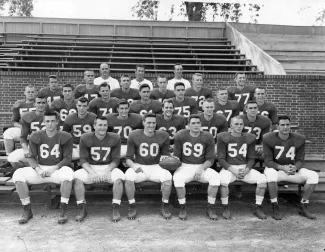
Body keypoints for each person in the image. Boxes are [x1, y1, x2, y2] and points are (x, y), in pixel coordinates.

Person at [12, 111, 74, 224]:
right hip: (40, 169)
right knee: (18, 175)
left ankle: (63, 209)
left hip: (57, 169)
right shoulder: (36, 135)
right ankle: (27, 210)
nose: (50, 124)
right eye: (47, 121)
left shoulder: (65, 136)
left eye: (52, 121)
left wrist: (53, 168)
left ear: (57, 122)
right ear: (43, 122)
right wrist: (38, 169)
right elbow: (31, 157)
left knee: (68, 175)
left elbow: (67, 159)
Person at [263, 115, 319, 220]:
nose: (285, 127)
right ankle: (275, 206)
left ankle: (303, 206)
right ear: (277, 127)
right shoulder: (268, 138)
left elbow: (300, 160)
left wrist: (295, 167)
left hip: (292, 170)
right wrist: (281, 167)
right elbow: (268, 161)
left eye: (287, 125)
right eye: (282, 125)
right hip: (277, 170)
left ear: (290, 126)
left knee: (313, 176)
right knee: (270, 175)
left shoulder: (299, 138)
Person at [73, 116, 124, 222]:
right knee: (77, 178)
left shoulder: (115, 138)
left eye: (105, 125)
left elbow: (116, 159)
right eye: (100, 125)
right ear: (94, 126)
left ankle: (115, 207)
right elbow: (83, 159)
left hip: (108, 166)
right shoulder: (85, 137)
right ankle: (81, 208)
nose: (102, 127)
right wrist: (91, 172)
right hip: (91, 167)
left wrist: (107, 171)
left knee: (119, 178)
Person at [217, 116, 267, 220]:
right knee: (223, 181)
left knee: (262, 180)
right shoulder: (222, 137)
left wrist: (247, 170)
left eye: (241, 124)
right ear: (230, 126)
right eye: (236, 124)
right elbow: (221, 159)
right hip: (229, 168)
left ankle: (258, 207)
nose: (239, 126)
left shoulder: (249, 137)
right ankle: (225, 207)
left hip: (244, 168)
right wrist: (233, 170)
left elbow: (251, 158)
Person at [124, 113, 173, 220]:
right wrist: (133, 166)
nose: (151, 125)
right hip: (140, 166)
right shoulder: (134, 135)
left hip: (156, 166)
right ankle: (132, 205)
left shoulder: (163, 135)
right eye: (148, 122)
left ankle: (165, 205)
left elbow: (165, 155)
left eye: (153, 123)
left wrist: (166, 159)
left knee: (168, 177)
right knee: (128, 177)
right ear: (143, 123)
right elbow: (128, 158)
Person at [173, 114, 220, 220]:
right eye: (193, 123)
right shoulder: (180, 135)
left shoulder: (207, 136)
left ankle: (210, 207)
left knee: (216, 177)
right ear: (188, 125)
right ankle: (182, 207)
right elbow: (177, 156)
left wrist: (201, 168)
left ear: (201, 124)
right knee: (178, 179)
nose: (196, 125)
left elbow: (210, 159)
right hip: (184, 165)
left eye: (198, 123)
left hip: (201, 165)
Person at [6, 95, 47, 170]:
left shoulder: (52, 115)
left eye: (43, 103)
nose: (41, 105)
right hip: (33, 146)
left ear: (46, 104)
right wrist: (25, 149)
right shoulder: (27, 116)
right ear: (34, 104)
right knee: (12, 158)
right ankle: (30, 169)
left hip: (49, 146)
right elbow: (23, 137)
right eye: (38, 102)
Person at [2, 85, 36, 165]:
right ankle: (9, 157)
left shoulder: (39, 103)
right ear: (25, 93)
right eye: (28, 92)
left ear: (35, 93)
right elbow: (14, 121)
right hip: (23, 129)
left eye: (32, 92)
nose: (30, 93)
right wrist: (22, 127)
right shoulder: (19, 104)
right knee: (8, 133)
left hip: (36, 128)